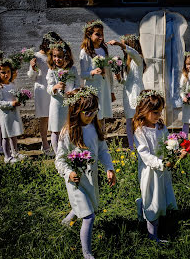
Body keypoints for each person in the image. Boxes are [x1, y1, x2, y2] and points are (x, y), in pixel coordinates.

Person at [55, 86, 116, 259]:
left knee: (87, 203)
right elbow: (59, 160)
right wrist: (68, 173)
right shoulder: (68, 133)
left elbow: (103, 150)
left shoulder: (94, 128)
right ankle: (87, 253)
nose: (91, 116)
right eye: (87, 112)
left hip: (91, 177)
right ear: (75, 110)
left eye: (94, 112)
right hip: (75, 180)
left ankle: (66, 221)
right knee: (88, 216)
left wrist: (109, 168)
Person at [133, 90, 180, 242]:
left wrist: (175, 151)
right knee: (152, 198)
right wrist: (160, 163)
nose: (158, 116)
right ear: (144, 110)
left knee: (161, 195)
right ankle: (153, 236)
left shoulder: (160, 126)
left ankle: (142, 208)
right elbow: (144, 153)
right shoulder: (140, 131)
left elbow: (167, 142)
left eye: (160, 112)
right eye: (155, 112)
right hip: (149, 170)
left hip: (163, 169)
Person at [28, 31, 63, 155]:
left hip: (53, 88)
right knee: (44, 117)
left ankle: (58, 143)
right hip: (42, 89)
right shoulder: (36, 56)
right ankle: (45, 144)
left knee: (56, 115)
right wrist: (32, 68)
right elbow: (31, 77)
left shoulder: (53, 55)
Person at [107, 34, 145, 150]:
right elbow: (125, 81)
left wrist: (119, 44)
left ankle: (141, 144)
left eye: (124, 45)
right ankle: (131, 146)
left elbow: (132, 52)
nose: (121, 49)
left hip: (137, 92)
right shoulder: (126, 62)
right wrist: (118, 77)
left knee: (138, 120)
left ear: (130, 45)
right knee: (128, 120)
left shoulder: (138, 58)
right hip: (127, 93)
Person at [79, 20, 115, 130]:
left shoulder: (104, 50)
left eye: (102, 34)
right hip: (93, 88)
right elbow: (83, 74)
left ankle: (102, 138)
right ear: (89, 35)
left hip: (104, 87)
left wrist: (112, 90)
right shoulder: (85, 52)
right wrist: (92, 72)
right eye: (97, 34)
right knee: (93, 114)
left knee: (102, 114)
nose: (100, 37)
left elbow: (109, 73)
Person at [46, 41, 80, 155]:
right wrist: (55, 87)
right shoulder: (52, 71)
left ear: (66, 56)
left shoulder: (72, 69)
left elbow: (77, 84)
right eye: (54, 56)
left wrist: (74, 91)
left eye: (59, 56)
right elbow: (49, 87)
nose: (57, 59)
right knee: (56, 130)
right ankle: (57, 154)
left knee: (68, 129)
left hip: (69, 103)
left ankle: (69, 152)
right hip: (57, 104)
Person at [0, 58, 25, 163]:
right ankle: (7, 156)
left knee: (13, 134)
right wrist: (11, 104)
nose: (7, 74)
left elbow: (13, 95)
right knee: (5, 136)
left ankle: (15, 152)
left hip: (13, 113)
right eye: (3, 72)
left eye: (8, 71)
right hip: (5, 115)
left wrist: (19, 99)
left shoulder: (11, 84)